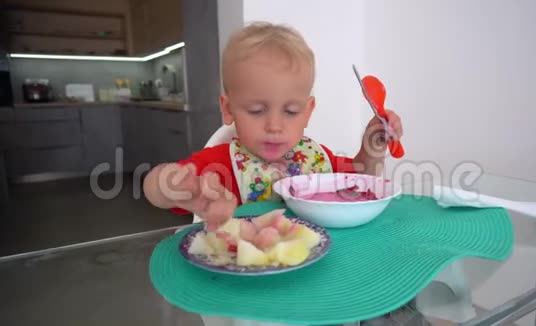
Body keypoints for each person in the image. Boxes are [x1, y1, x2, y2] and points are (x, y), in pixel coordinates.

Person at [143, 22, 403, 231]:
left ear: (308, 112)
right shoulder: (220, 165)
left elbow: (363, 180)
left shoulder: (316, 158)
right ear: (228, 109)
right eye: (257, 111)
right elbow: (154, 191)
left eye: (291, 111)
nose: (274, 125)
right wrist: (175, 186)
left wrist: (373, 145)